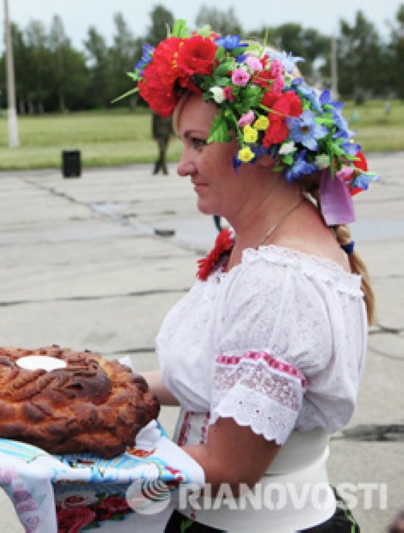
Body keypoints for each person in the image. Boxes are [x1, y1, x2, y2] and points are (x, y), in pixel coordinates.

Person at [124, 21, 378, 531]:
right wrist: (106, 386)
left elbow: (228, 470)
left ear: (259, 146)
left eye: (196, 142)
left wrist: (85, 459)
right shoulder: (259, 245)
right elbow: (213, 382)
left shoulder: (278, 281)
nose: (182, 166)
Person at [151, 110, 173, 175]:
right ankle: (164, 170)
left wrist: (172, 135)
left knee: (163, 152)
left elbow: (171, 124)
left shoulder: (169, 112)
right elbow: (153, 126)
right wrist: (154, 136)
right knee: (162, 150)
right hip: (159, 135)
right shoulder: (156, 113)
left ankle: (157, 167)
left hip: (167, 135)